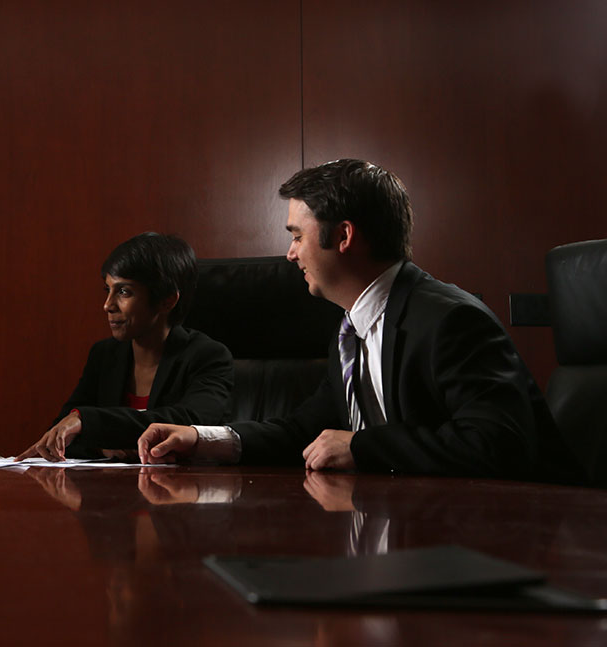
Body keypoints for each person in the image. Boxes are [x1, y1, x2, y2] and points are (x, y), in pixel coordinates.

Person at [138, 159, 582, 483]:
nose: (290, 253)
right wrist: (203, 439)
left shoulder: (451, 321)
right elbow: (302, 430)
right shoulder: (350, 330)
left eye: (296, 235)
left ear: (345, 237)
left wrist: (361, 447)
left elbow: (498, 445)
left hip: (521, 539)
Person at [17, 233, 233, 461]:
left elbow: (190, 422)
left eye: (123, 292)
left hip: (182, 491)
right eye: (107, 290)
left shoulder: (209, 357)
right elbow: (62, 433)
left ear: (167, 300)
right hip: (112, 490)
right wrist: (101, 447)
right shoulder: (104, 355)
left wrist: (88, 422)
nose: (107, 305)